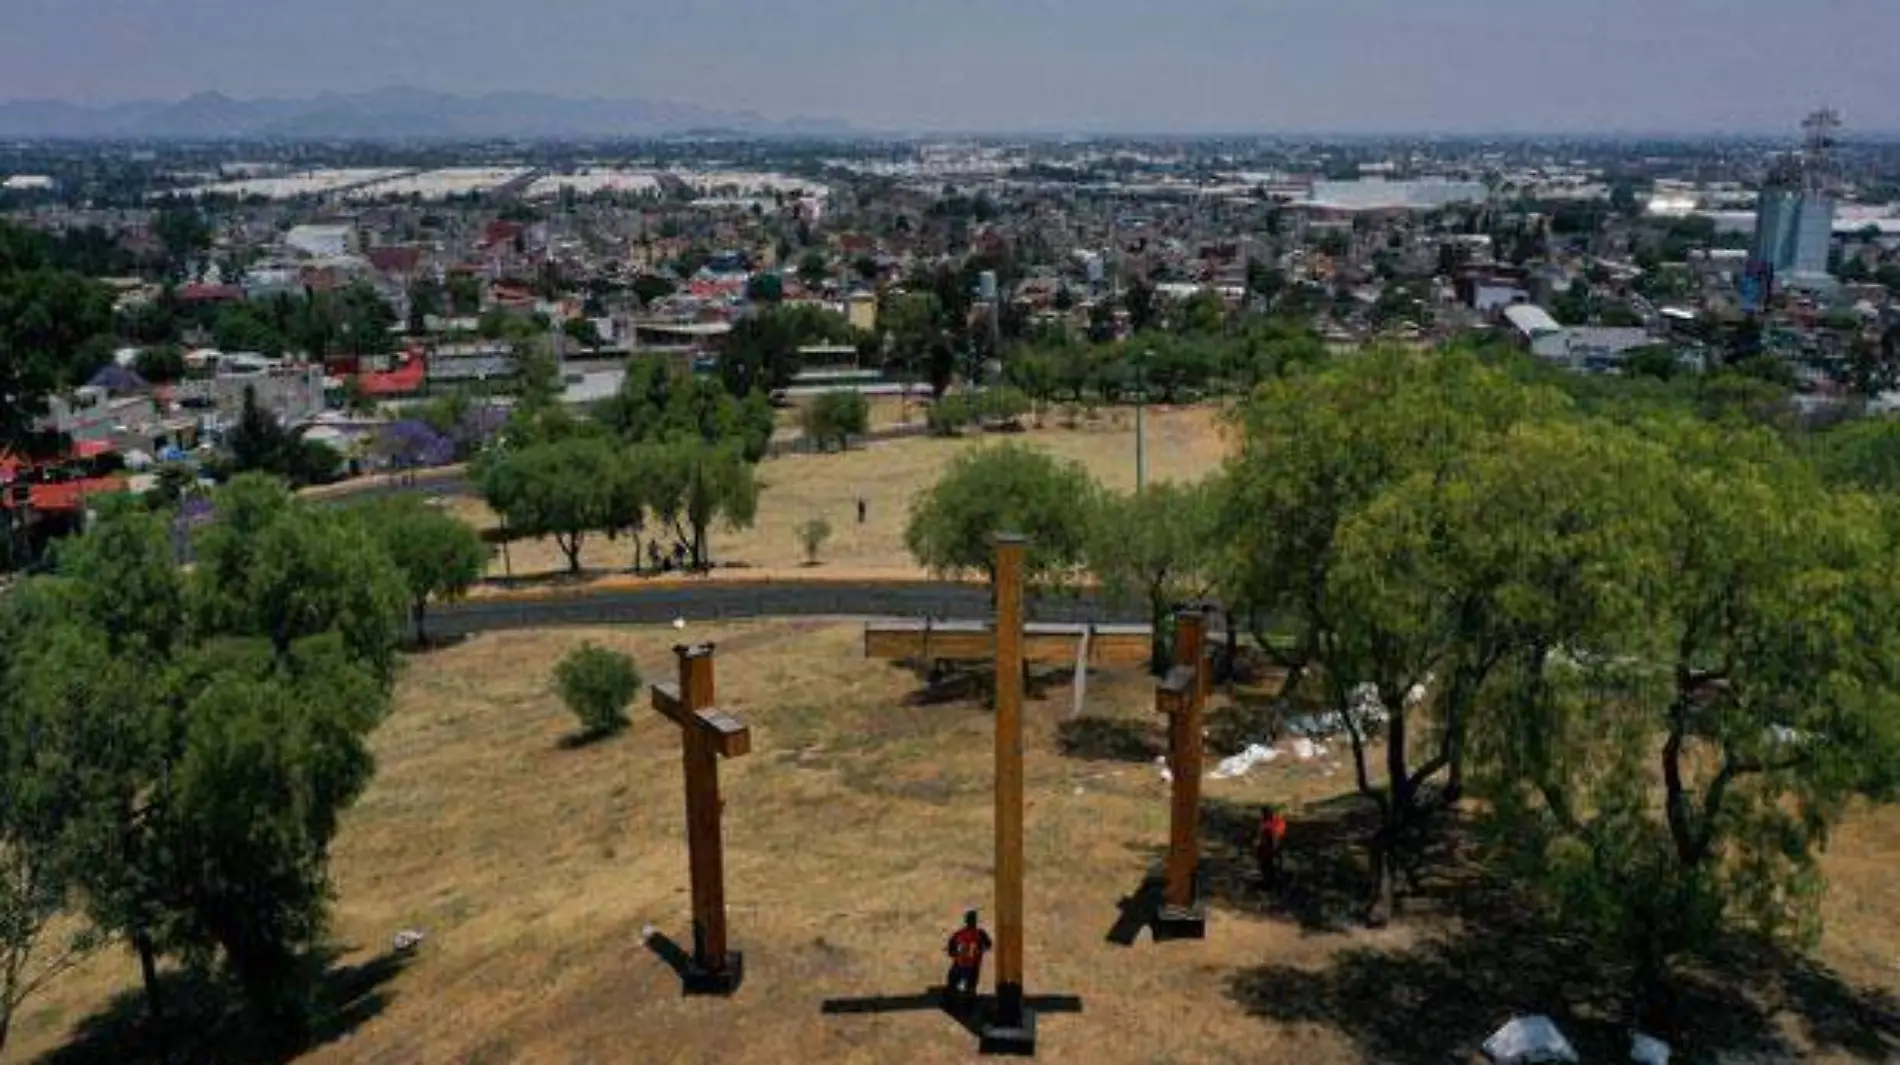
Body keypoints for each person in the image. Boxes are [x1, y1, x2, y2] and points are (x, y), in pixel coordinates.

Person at [944, 909, 992, 1007]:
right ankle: (968, 1007)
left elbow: (951, 948)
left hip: (960, 964)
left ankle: (951, 1004)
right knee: (970, 987)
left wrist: (954, 953)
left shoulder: (960, 933)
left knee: (953, 983)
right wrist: (980, 950)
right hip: (973, 965)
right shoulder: (980, 933)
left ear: (966, 921)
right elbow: (988, 945)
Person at [1256, 804, 1288, 888]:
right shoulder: (1277, 823)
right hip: (1269, 849)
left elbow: (1271, 834)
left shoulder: (1276, 824)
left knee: (1267, 865)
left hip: (1269, 849)